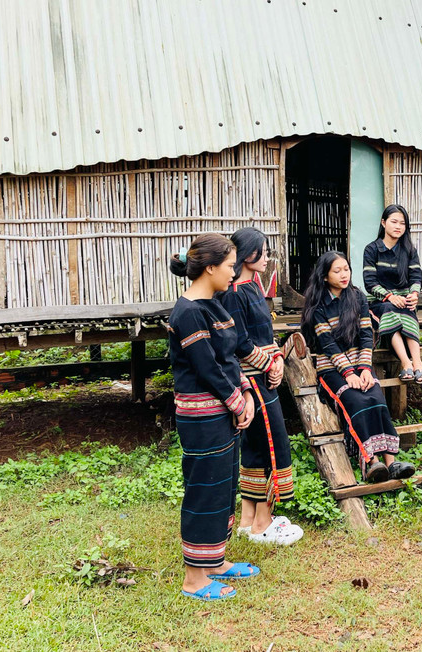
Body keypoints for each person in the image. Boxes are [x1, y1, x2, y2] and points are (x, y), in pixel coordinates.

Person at [167, 233, 258, 601]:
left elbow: (229, 356)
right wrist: (238, 402)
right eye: (229, 266)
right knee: (204, 489)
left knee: (223, 484)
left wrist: (245, 394)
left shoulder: (215, 303)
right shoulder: (187, 312)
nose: (233, 273)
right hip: (202, 417)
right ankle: (194, 578)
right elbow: (206, 368)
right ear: (209, 267)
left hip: (222, 410)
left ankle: (215, 563)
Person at [218, 227, 303, 546]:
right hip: (251, 379)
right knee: (271, 444)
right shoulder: (233, 293)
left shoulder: (253, 286)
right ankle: (264, 525)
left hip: (264, 374)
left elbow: (264, 335)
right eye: (264, 252)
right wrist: (271, 363)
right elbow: (239, 343)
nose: (268, 258)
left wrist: (277, 357)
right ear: (249, 254)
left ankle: (248, 520)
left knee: (254, 448)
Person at [301, 251, 415, 483]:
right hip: (331, 369)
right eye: (337, 270)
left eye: (346, 269)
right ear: (324, 276)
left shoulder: (357, 297)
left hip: (359, 364)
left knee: (375, 397)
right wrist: (348, 373)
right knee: (355, 401)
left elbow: (365, 335)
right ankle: (371, 462)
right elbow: (327, 344)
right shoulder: (317, 305)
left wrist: (364, 368)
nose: (344, 275)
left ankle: (391, 462)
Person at [362, 204, 422, 383]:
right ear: (383, 223)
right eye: (394, 221)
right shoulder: (372, 249)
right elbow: (370, 282)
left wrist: (414, 295)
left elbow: (416, 276)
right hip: (378, 301)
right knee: (389, 309)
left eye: (402, 223)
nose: (398, 226)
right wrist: (390, 297)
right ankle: (406, 363)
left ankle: (418, 364)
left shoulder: (409, 250)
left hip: (403, 297)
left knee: (407, 307)